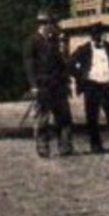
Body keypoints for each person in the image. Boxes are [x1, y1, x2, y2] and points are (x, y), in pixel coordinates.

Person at [69, 23, 109, 153]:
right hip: (91, 85)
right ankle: (95, 145)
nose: (98, 37)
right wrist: (81, 77)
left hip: (106, 84)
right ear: (91, 36)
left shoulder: (107, 47)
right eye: (95, 35)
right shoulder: (84, 49)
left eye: (100, 34)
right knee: (92, 116)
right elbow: (70, 63)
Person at [24, 12, 74, 158]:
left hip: (58, 85)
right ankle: (43, 147)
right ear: (40, 25)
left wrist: (66, 83)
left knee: (64, 117)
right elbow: (29, 66)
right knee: (43, 119)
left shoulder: (54, 42)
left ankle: (65, 146)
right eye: (45, 24)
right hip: (43, 86)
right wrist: (33, 86)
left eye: (50, 24)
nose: (48, 27)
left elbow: (62, 65)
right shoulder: (32, 42)